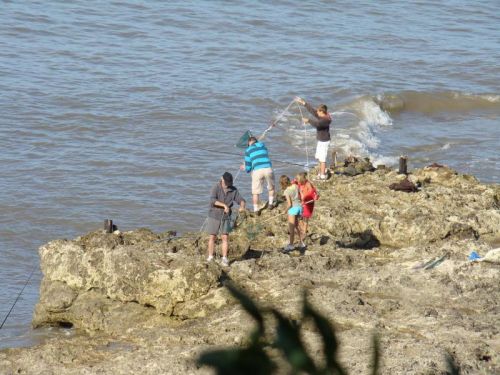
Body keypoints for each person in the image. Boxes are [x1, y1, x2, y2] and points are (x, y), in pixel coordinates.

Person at [206, 172, 246, 266]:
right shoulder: (216, 187)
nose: (228, 184)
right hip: (214, 214)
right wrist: (224, 205)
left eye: (229, 182)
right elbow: (212, 200)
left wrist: (242, 206)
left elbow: (241, 200)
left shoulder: (233, 189)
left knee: (225, 237)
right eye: (226, 182)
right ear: (222, 179)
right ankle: (210, 257)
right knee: (212, 236)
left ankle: (224, 258)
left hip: (226, 216)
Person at [295, 97, 332, 180]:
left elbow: (317, 124)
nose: (317, 113)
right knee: (319, 157)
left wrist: (308, 120)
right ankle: (320, 172)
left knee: (322, 159)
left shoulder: (325, 120)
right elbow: (313, 111)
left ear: (322, 112)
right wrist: (303, 102)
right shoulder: (322, 116)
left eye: (318, 112)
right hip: (321, 140)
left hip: (324, 141)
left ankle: (322, 176)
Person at [240, 136, 276, 213]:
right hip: (268, 168)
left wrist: (245, 166)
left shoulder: (248, 150)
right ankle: (270, 204)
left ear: (249, 143)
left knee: (255, 192)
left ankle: (256, 210)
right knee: (271, 187)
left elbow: (249, 168)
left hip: (257, 171)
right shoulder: (263, 146)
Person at [280, 175, 305, 252]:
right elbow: (301, 195)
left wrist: (285, 210)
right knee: (297, 226)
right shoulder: (295, 185)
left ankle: (291, 245)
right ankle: (301, 242)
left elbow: (289, 204)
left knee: (291, 229)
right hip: (299, 207)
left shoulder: (286, 191)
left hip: (293, 209)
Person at [296, 172, 319, 242]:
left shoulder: (308, 184)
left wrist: (315, 196)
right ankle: (303, 229)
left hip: (308, 203)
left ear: (302, 180)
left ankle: (304, 232)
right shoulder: (299, 184)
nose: (297, 181)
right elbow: (294, 183)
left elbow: (313, 192)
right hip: (302, 202)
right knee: (299, 216)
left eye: (298, 180)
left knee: (305, 218)